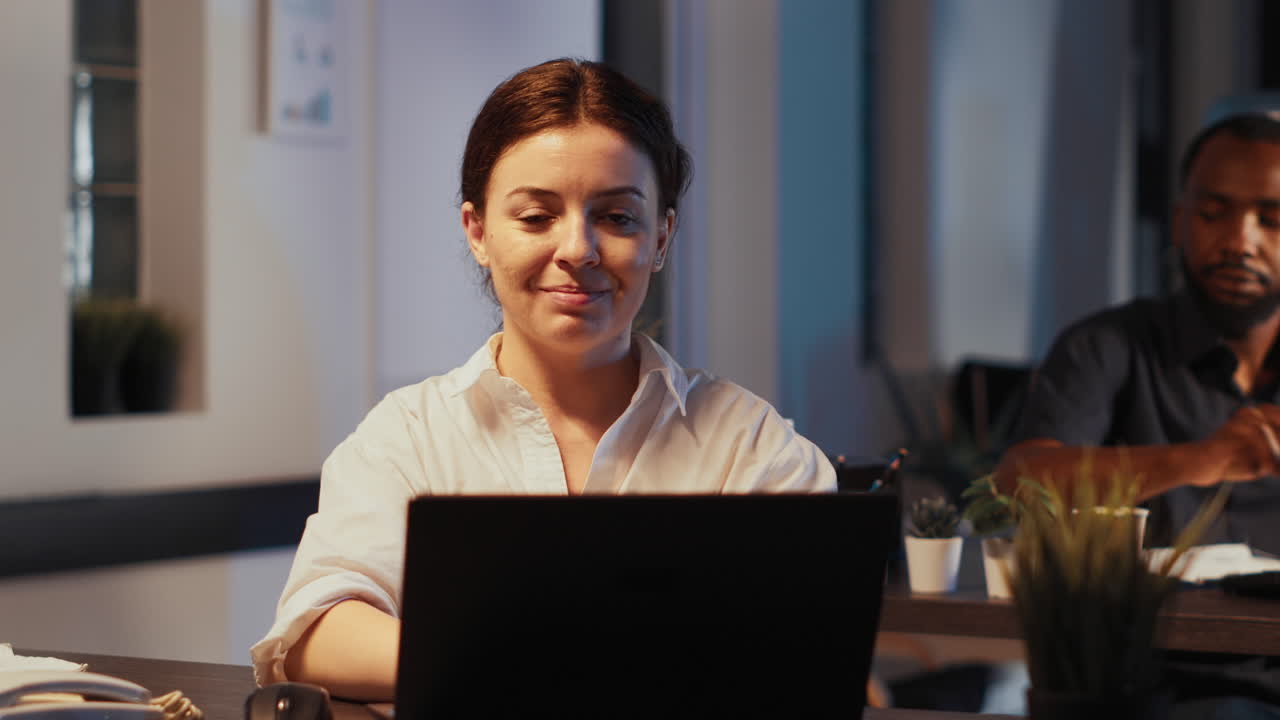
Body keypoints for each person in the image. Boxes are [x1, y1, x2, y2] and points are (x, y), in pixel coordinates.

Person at [249, 58, 835, 702]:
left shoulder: (747, 445)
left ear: (662, 236)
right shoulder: (409, 435)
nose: (578, 249)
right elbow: (317, 635)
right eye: (535, 217)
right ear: (478, 231)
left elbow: (805, 646)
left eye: (617, 217)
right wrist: (545, 661)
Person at [996, 112, 1280, 716]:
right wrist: (1199, 460)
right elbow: (1019, 483)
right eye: (1213, 213)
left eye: (1272, 219)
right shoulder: (1105, 347)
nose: (1240, 241)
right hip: (1152, 686)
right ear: (1179, 221)